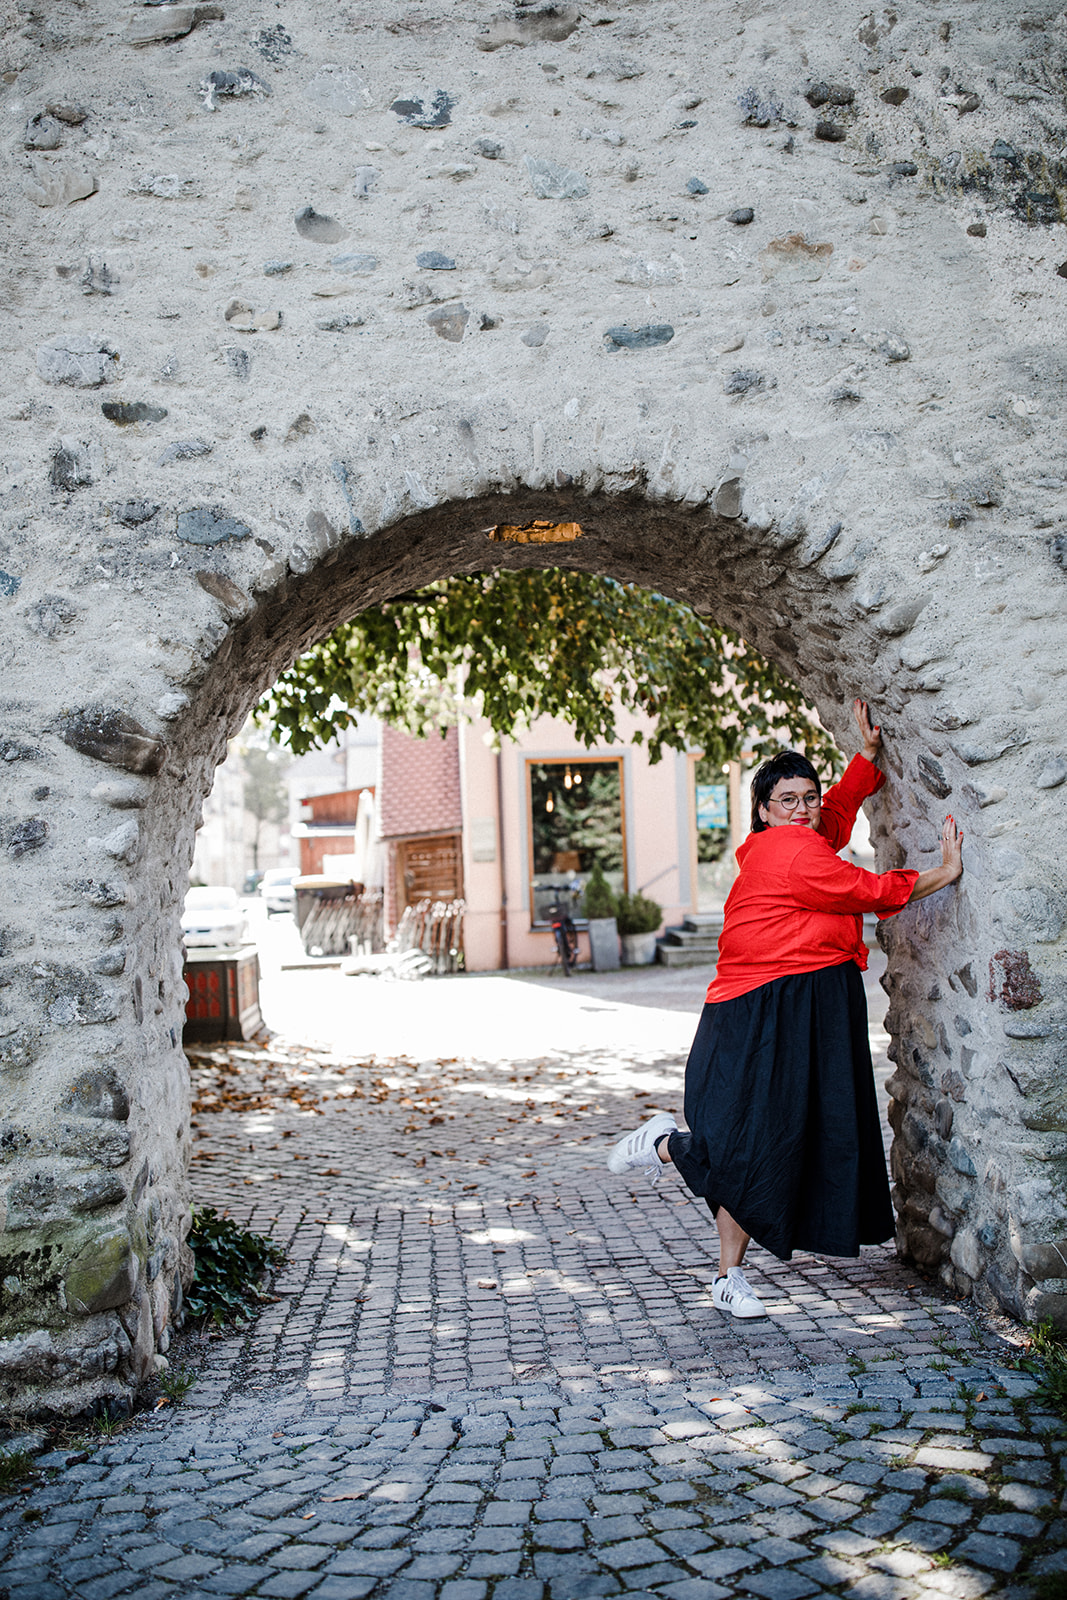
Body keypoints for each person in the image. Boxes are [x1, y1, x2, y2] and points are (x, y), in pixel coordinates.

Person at [607, 700, 964, 1319]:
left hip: (805, 999)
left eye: (808, 797)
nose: (802, 808)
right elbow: (870, 890)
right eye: (787, 800)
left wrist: (866, 759)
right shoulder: (792, 854)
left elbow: (836, 815)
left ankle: (727, 1276)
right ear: (763, 811)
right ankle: (668, 1146)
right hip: (765, 1007)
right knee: (755, 1139)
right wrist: (946, 871)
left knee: (783, 1138)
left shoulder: (799, 837)